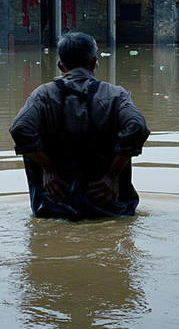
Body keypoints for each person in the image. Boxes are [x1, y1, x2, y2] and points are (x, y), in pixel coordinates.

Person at [9, 32, 150, 220]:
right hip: (109, 207)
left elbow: (20, 128)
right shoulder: (116, 95)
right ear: (94, 63)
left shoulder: (42, 96)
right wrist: (112, 176)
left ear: (61, 66)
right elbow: (137, 126)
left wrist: (49, 170)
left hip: (52, 207)